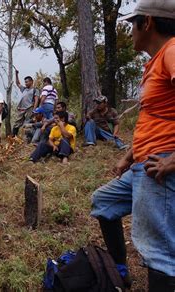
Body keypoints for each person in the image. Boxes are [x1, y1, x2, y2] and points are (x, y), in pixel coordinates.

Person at [91, 3, 175, 290]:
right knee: (103, 202)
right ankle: (120, 272)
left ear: (148, 22)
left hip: (159, 166)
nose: (130, 32)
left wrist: (172, 161)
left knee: (159, 252)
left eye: (132, 24)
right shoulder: (155, 62)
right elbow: (151, 116)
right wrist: (128, 156)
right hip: (142, 163)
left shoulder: (173, 51)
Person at [12, 69, 39, 137]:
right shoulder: (24, 89)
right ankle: (13, 138)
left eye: (27, 82)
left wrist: (34, 110)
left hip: (29, 108)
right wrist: (16, 74)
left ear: (31, 81)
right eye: (25, 82)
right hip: (21, 109)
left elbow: (36, 100)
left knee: (27, 123)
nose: (25, 83)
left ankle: (27, 139)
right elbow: (18, 84)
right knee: (16, 123)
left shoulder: (35, 90)